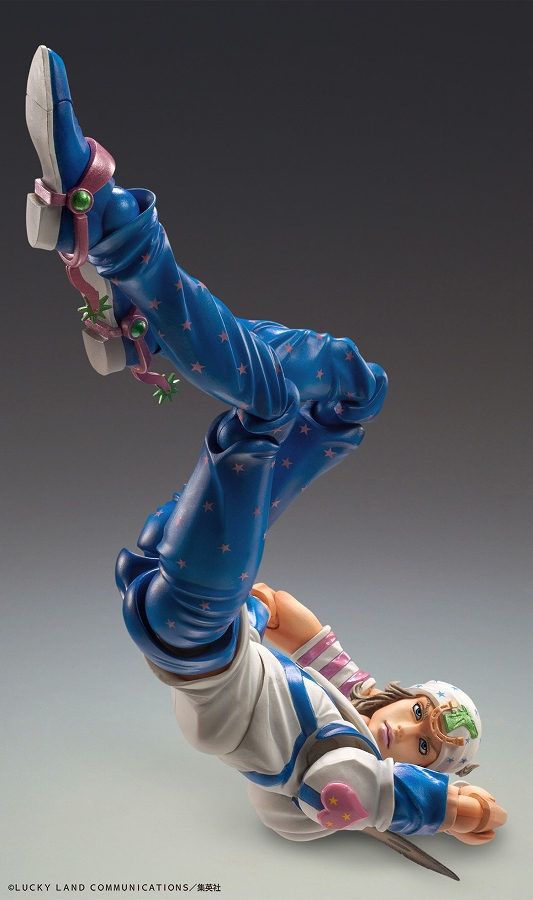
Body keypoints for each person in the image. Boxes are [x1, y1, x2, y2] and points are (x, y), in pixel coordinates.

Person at [26, 46, 506, 849]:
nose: (403, 732)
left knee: (267, 409)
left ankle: (108, 225)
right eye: (416, 712)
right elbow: (291, 617)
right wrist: (262, 606)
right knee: (355, 394)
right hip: (189, 586)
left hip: (196, 637)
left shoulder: (346, 757)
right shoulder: (352, 695)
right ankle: (151, 332)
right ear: (400, 694)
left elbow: (347, 793)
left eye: (424, 748)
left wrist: (449, 809)